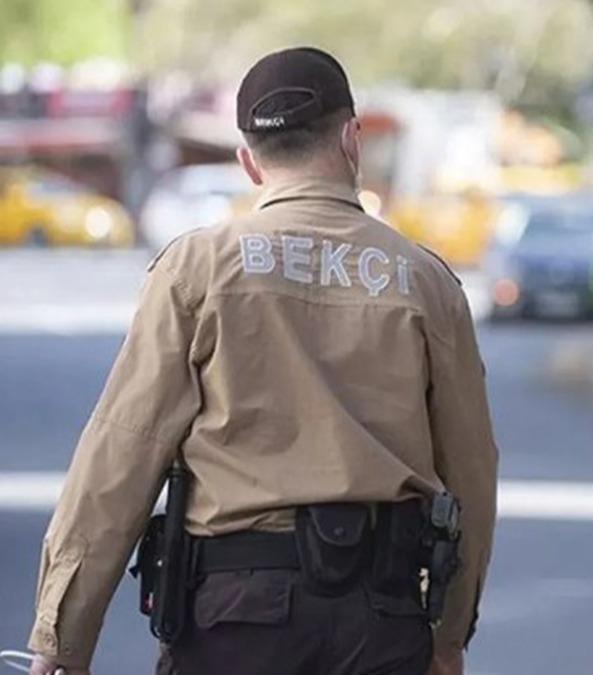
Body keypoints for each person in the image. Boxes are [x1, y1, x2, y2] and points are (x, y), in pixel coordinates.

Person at [28, 47, 498, 675]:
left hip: (235, 620)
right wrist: (447, 639)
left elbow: (122, 453)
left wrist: (63, 641)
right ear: (352, 140)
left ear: (249, 162)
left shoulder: (197, 270)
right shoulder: (426, 283)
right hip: (380, 623)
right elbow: (471, 471)